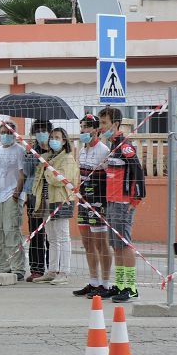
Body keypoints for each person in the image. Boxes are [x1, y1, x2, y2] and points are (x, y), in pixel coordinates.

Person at [99, 106, 146, 302]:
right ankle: (119, 284)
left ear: (115, 124)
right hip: (111, 202)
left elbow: (138, 173)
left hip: (123, 203)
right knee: (115, 245)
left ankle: (131, 287)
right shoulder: (112, 146)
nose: (100, 127)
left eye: (104, 123)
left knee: (125, 245)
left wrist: (135, 200)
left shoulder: (125, 146)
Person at [72, 114, 115, 298]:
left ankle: (105, 283)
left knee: (101, 243)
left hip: (99, 202)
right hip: (83, 201)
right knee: (87, 242)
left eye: (88, 127)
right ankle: (93, 281)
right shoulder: (81, 150)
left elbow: (110, 176)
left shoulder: (104, 150)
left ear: (96, 129)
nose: (83, 130)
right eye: (82, 126)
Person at [31, 127, 79, 286]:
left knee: (62, 236)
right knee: (51, 237)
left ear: (64, 140)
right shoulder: (45, 157)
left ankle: (64, 271)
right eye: (52, 137)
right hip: (45, 200)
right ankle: (51, 270)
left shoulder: (67, 159)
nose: (53, 140)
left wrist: (48, 170)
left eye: (57, 137)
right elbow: (38, 178)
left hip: (61, 200)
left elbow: (59, 180)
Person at [0, 120, 26, 279]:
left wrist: (16, 193)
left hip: (11, 195)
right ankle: (2, 266)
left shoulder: (19, 150)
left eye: (9, 133)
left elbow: (22, 173)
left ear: (15, 134)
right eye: (3, 132)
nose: (5, 135)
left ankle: (17, 268)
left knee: (11, 232)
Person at [19, 120, 51, 281]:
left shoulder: (56, 149)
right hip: (34, 195)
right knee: (36, 233)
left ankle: (53, 269)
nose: (41, 133)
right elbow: (27, 172)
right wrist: (29, 155)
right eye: (37, 131)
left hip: (51, 196)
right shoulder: (32, 150)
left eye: (44, 130)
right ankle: (36, 269)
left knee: (52, 235)